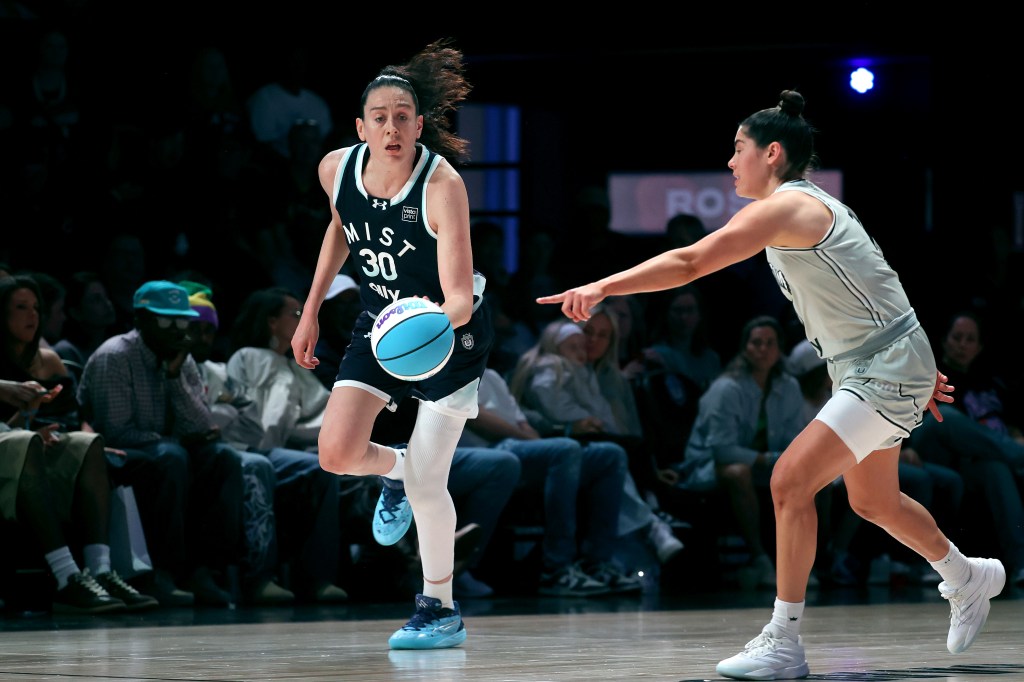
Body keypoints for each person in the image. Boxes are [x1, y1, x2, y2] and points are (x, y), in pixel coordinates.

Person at [537, 90, 1004, 680]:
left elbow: (688, 264)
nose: (731, 163)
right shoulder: (802, 207)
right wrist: (914, 356)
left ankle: (783, 639)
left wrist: (602, 287)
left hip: (881, 366)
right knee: (871, 501)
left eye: (738, 150)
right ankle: (968, 578)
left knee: (788, 482)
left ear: (772, 152)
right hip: (876, 363)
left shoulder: (787, 207)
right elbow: (874, 279)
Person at [290, 39, 491, 650]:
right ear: (361, 127)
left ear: (420, 125)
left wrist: (427, 326)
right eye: (380, 117)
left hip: (448, 335)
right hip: (380, 323)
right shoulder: (334, 168)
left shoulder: (441, 185)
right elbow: (341, 231)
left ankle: (440, 607)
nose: (392, 127)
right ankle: (397, 471)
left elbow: (458, 295)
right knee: (336, 453)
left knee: (434, 483)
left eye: (403, 116)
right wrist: (312, 311)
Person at [460, 367, 642, 596]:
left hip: (519, 446)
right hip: (486, 450)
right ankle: (556, 567)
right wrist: (534, 441)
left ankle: (597, 562)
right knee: (565, 449)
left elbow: (521, 421)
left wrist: (536, 443)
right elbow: (477, 419)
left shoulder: (492, 374)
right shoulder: (449, 369)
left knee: (610, 455)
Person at [673, 315, 805, 590]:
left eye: (770, 343)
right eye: (756, 342)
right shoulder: (727, 388)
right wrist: (769, 460)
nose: (763, 349)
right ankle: (760, 557)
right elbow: (721, 450)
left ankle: (814, 562)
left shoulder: (788, 386)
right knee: (738, 472)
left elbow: (796, 439)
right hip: (708, 466)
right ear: (745, 347)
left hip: (768, 465)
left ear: (780, 348)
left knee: (816, 479)